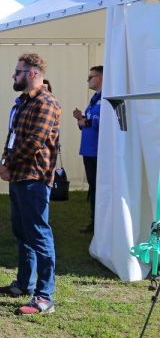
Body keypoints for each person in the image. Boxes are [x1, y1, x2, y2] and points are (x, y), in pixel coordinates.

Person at [0, 53, 60, 316]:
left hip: (35, 177)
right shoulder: (23, 102)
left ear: (32, 73)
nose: (15, 76)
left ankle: (44, 296)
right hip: (19, 175)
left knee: (39, 234)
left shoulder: (47, 103)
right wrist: (4, 161)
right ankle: (24, 283)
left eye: (18, 71)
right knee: (22, 232)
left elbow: (34, 141)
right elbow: (13, 136)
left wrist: (8, 163)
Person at [73, 65, 102, 234]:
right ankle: (95, 221)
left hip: (98, 152)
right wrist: (81, 119)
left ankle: (98, 223)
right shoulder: (94, 99)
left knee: (98, 188)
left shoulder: (105, 98)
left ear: (101, 78)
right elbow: (88, 123)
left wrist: (87, 122)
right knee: (93, 187)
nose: (88, 80)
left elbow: (103, 123)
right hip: (89, 151)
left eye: (91, 77)